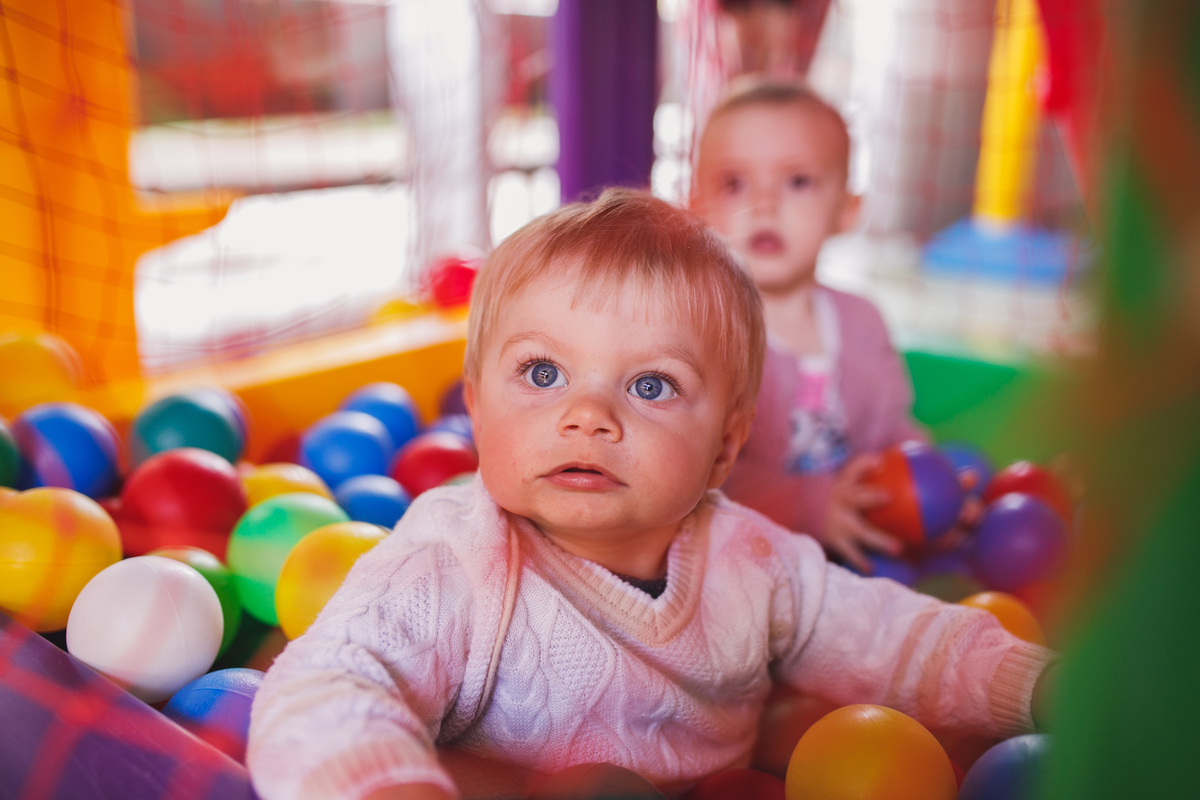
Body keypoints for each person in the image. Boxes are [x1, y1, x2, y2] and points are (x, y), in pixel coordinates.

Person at [247, 189, 1057, 800]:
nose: (588, 416)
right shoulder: (452, 557)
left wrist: (1041, 687)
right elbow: (332, 679)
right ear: (476, 403)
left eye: (651, 385)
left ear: (723, 450)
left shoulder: (755, 560)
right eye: (541, 373)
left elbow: (893, 636)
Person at [691, 80, 939, 572]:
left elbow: (891, 426)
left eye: (797, 181)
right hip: (747, 563)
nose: (764, 204)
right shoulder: (703, 335)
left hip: (861, 547)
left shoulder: (861, 321)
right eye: (735, 183)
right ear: (698, 206)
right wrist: (811, 507)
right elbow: (698, 474)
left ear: (846, 211)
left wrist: (926, 482)